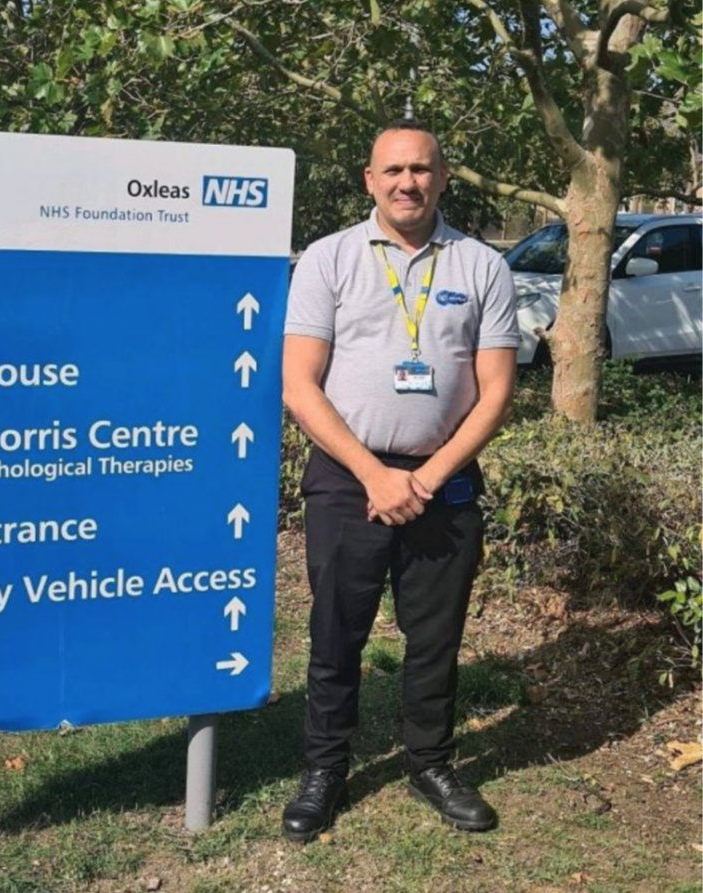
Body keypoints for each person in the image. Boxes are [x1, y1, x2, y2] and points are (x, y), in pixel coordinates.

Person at [281, 119, 519, 842]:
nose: (407, 182)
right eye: (393, 171)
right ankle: (325, 768)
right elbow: (298, 384)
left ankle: (431, 763)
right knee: (336, 631)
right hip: (349, 477)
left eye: (421, 169)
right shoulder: (329, 260)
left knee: (435, 636)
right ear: (369, 180)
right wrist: (374, 475)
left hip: (442, 483)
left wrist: (426, 476)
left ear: (442, 177)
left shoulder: (482, 266)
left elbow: (497, 390)